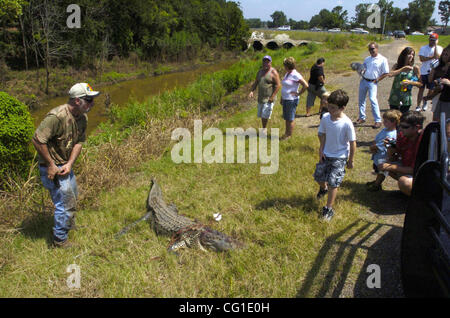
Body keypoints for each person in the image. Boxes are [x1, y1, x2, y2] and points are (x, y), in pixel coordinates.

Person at [32, 83, 100, 248]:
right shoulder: (57, 117)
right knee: (65, 204)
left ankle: (67, 226)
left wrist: (69, 163)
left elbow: (78, 142)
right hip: (52, 168)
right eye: (89, 100)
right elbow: (37, 139)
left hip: (65, 166)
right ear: (77, 101)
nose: (92, 104)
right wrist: (51, 165)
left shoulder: (82, 117)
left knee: (73, 197)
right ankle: (59, 241)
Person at [313, 89, 356, 221]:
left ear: (342, 108)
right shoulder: (326, 118)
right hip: (326, 153)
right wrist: (321, 150)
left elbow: (353, 143)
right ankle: (323, 188)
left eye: (333, 108)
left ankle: (328, 208)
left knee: (333, 182)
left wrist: (350, 160)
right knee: (319, 177)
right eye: (328, 106)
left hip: (340, 156)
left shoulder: (347, 123)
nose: (330, 110)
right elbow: (322, 134)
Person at [378, 111, 425, 196]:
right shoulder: (403, 135)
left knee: (404, 182)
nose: (401, 129)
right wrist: (390, 148)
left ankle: (419, 199)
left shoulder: (423, 141)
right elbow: (393, 157)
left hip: (421, 175)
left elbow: (415, 170)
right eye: (400, 126)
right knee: (383, 163)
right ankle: (409, 192)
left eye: (405, 127)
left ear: (417, 127)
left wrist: (391, 167)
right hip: (408, 167)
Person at [355, 42, 390, 129]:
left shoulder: (383, 59)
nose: (371, 51)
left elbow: (386, 72)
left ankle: (378, 120)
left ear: (377, 48)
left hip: (373, 83)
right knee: (361, 100)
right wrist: (359, 70)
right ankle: (362, 117)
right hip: (364, 80)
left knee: (373, 100)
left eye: (373, 49)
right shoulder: (367, 59)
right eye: (370, 49)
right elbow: (363, 68)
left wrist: (377, 79)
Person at [366, 109, 402, 192]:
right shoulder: (384, 130)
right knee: (378, 169)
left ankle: (377, 184)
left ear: (393, 122)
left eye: (386, 121)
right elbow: (377, 138)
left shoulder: (393, 134)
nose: (384, 123)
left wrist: (374, 147)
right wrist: (374, 144)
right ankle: (377, 181)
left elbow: (384, 145)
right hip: (378, 154)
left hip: (384, 155)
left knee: (383, 170)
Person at [249, 55, 281, 133]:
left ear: (270, 63)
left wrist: (272, 96)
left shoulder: (273, 72)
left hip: (269, 98)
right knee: (261, 115)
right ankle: (264, 128)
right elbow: (256, 82)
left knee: (264, 115)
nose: (266, 63)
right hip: (261, 97)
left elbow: (278, 85)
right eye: (264, 61)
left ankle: (264, 130)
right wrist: (252, 91)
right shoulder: (260, 72)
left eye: (268, 62)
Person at [280, 56, 308, 140]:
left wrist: (298, 93)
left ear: (287, 66)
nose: (283, 66)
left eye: (284, 65)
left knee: (290, 118)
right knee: (286, 118)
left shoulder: (295, 74)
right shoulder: (287, 73)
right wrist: (282, 97)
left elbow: (306, 85)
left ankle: (289, 135)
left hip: (291, 100)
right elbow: (285, 86)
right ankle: (286, 133)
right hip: (286, 99)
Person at [387, 47, 422, 113]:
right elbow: (390, 74)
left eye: (413, 54)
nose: (411, 56)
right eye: (409, 54)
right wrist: (402, 69)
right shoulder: (397, 65)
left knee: (404, 119)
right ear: (404, 55)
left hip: (406, 98)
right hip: (394, 96)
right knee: (393, 118)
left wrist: (410, 82)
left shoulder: (415, 68)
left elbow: (420, 84)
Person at [416, 33, 443, 112]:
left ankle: (425, 102)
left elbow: (437, 56)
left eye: (434, 40)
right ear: (429, 39)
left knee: (430, 89)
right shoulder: (423, 48)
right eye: (431, 40)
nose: (432, 41)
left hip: (433, 73)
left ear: (436, 40)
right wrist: (431, 57)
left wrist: (435, 47)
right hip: (423, 71)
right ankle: (418, 105)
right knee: (421, 89)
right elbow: (422, 59)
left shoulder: (439, 48)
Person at [430, 45, 450, 122]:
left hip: (448, 102)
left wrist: (448, 83)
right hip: (442, 98)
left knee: (446, 125)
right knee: (436, 122)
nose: (444, 56)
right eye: (443, 53)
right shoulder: (447, 67)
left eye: (447, 54)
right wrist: (439, 83)